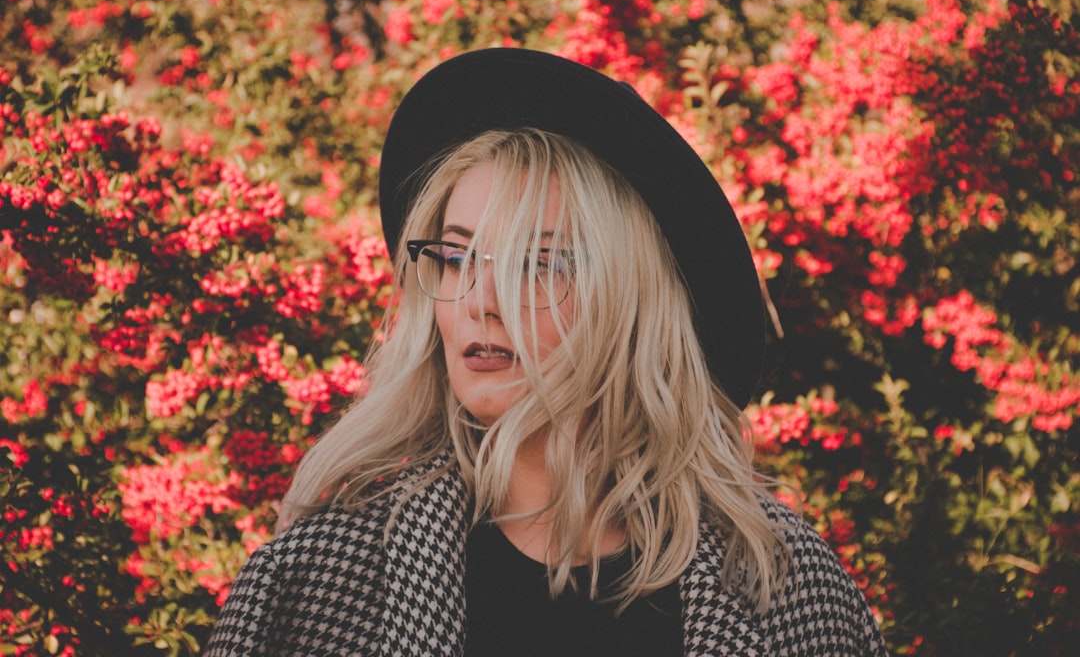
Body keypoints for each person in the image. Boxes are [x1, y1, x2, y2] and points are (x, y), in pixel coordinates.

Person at [203, 48, 889, 657]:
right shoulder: (313, 592)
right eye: (456, 255)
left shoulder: (792, 594)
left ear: (633, 298)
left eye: (537, 262)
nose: (479, 300)